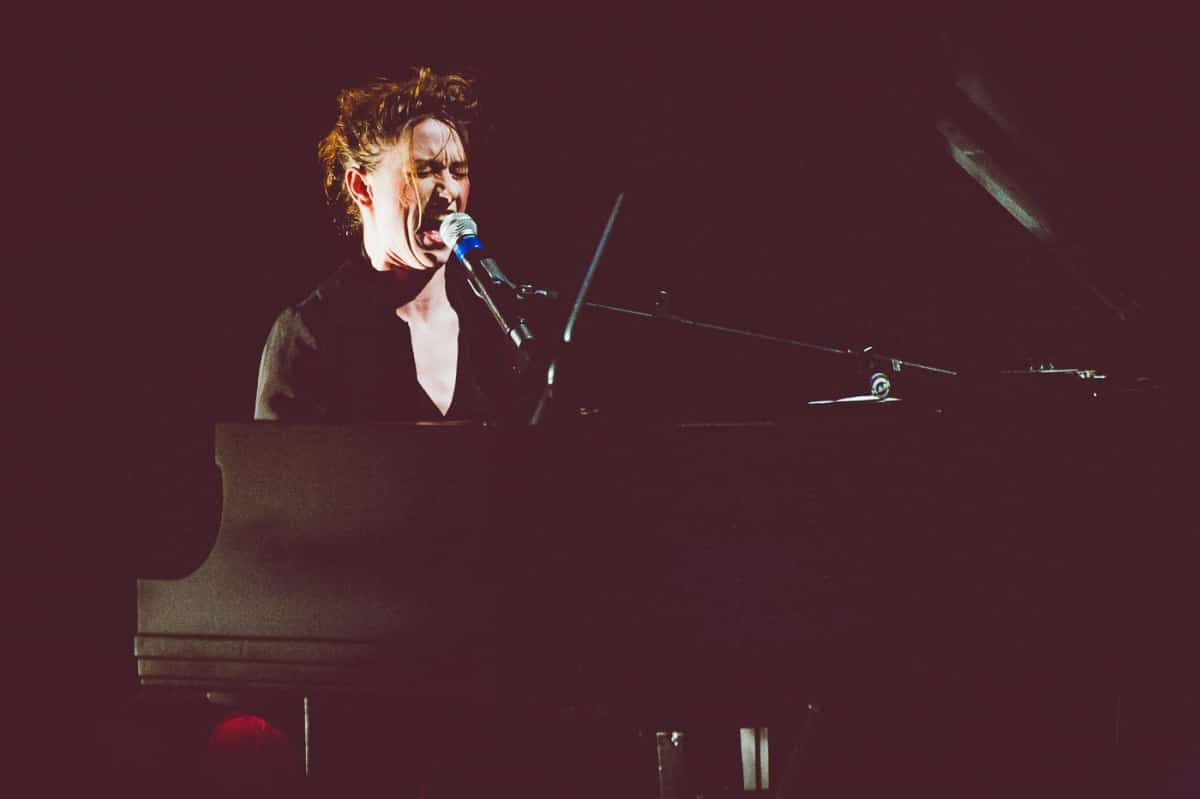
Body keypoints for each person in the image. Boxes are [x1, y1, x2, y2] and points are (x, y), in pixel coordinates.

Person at [255, 67, 512, 421]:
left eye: (458, 171)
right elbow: (279, 459)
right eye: (424, 171)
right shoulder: (313, 332)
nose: (449, 192)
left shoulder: (493, 325)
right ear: (361, 188)